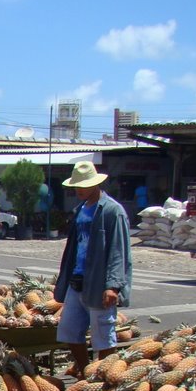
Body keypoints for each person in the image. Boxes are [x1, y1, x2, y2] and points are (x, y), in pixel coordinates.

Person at [54, 161, 133, 379]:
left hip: (99, 283)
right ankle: (86, 370)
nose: (79, 189)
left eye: (83, 185)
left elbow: (119, 250)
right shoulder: (80, 210)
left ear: (95, 184)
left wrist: (113, 286)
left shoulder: (112, 211)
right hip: (77, 280)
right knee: (69, 330)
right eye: (76, 185)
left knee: (103, 336)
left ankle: (105, 377)